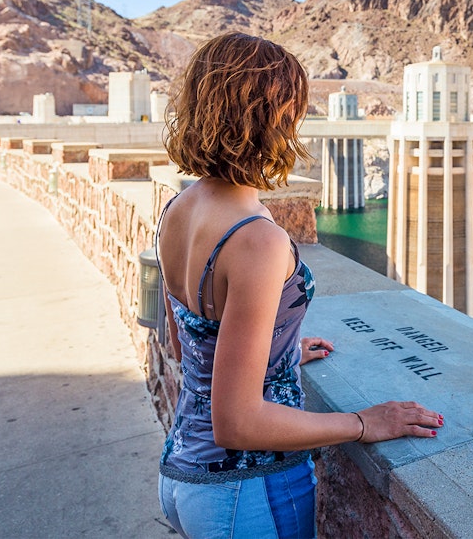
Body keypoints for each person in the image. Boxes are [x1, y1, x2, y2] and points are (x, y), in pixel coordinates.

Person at [156, 32, 443, 538]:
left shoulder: (179, 209)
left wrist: (275, 354)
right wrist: (363, 423)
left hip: (182, 476)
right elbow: (237, 423)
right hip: (248, 493)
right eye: (291, 111)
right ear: (265, 118)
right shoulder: (256, 240)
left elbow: (188, 343)